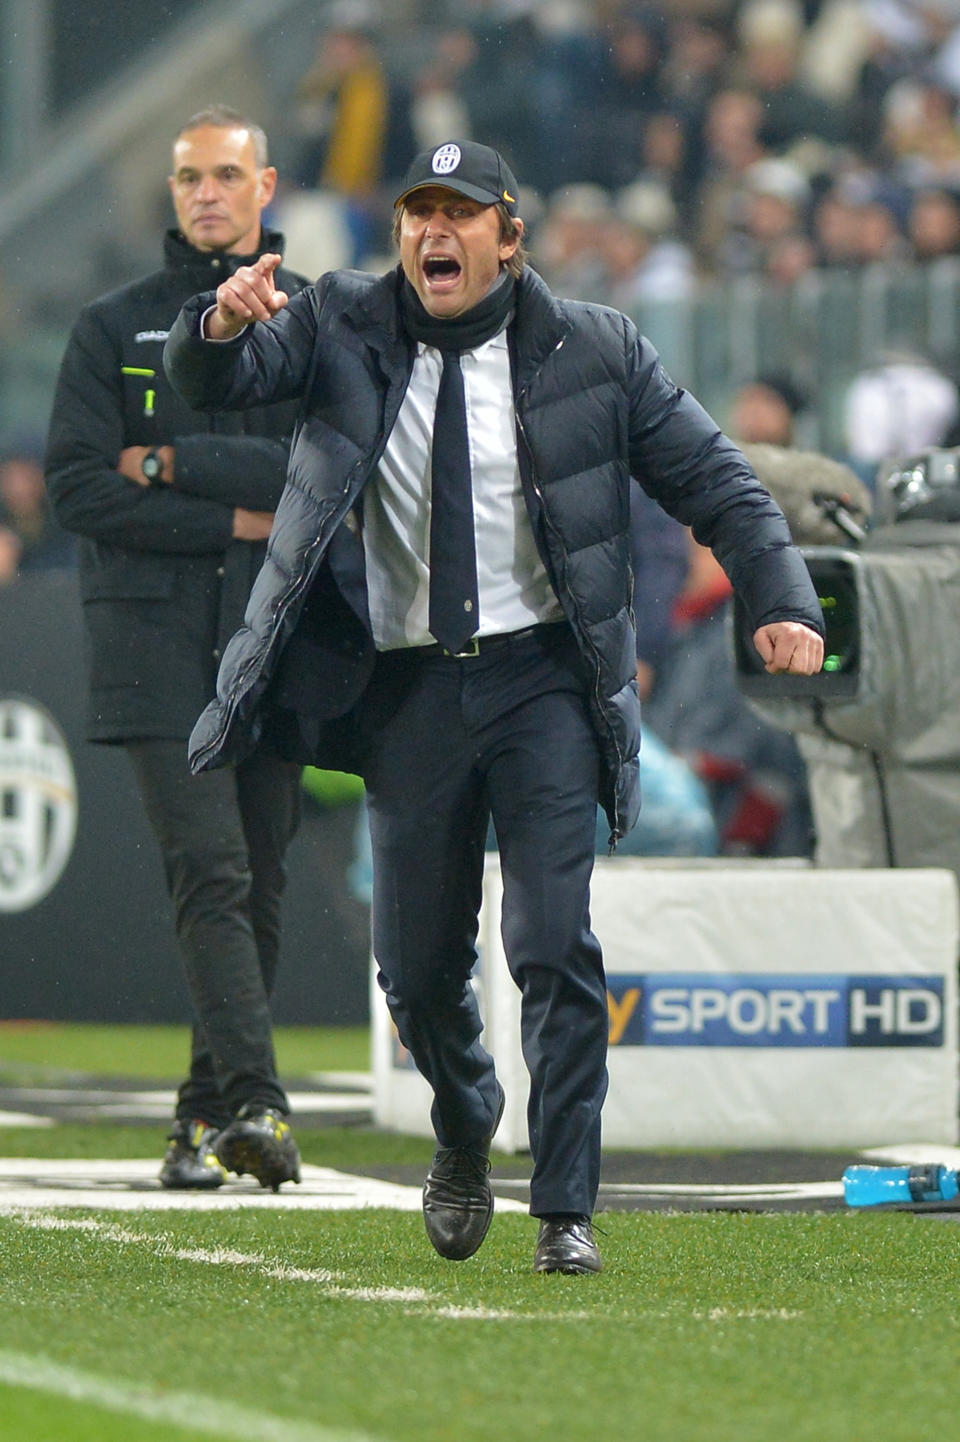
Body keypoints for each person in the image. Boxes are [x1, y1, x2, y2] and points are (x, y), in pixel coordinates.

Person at [164, 139, 824, 1273]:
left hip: (544, 682)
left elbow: (720, 479)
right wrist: (217, 324)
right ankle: (466, 1117)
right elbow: (218, 380)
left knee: (551, 938)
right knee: (418, 972)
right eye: (419, 210)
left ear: (508, 238)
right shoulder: (340, 320)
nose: (435, 231)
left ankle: (565, 1202)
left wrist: (782, 594)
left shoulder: (598, 348)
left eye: (460, 215)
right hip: (408, 688)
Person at [45, 106, 308, 1193]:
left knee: (261, 889)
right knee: (213, 868)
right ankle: (258, 1098)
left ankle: (199, 1123)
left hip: (273, 633)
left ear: (267, 187)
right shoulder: (112, 327)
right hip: (152, 638)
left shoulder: (313, 324)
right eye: (189, 176)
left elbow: (311, 473)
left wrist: (171, 462)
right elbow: (74, 486)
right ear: (175, 190)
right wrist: (228, 513)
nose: (205, 192)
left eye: (225, 175)